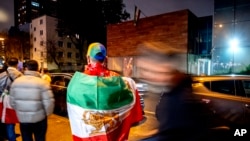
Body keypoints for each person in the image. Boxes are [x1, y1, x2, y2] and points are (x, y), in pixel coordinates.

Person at [135, 42, 217, 141]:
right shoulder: (171, 89)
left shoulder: (180, 100)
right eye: (143, 70)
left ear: (166, 67)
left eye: (149, 70)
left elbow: (172, 133)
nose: (145, 75)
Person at [67, 42, 143, 141]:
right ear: (106, 59)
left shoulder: (76, 83)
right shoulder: (116, 80)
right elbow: (130, 96)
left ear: (88, 58)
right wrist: (127, 77)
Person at [9, 60, 55, 141]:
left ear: (25, 69)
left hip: (23, 119)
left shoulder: (16, 82)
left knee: (26, 139)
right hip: (40, 119)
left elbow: (12, 102)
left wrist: (20, 112)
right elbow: (49, 103)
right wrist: (46, 114)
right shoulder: (43, 83)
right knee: (40, 138)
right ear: (37, 69)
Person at [0, 57, 23, 141]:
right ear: (17, 64)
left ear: (8, 64)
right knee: (13, 121)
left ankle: (10, 137)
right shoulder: (20, 75)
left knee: (7, 120)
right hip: (16, 100)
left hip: (4, 101)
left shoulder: (2, 74)